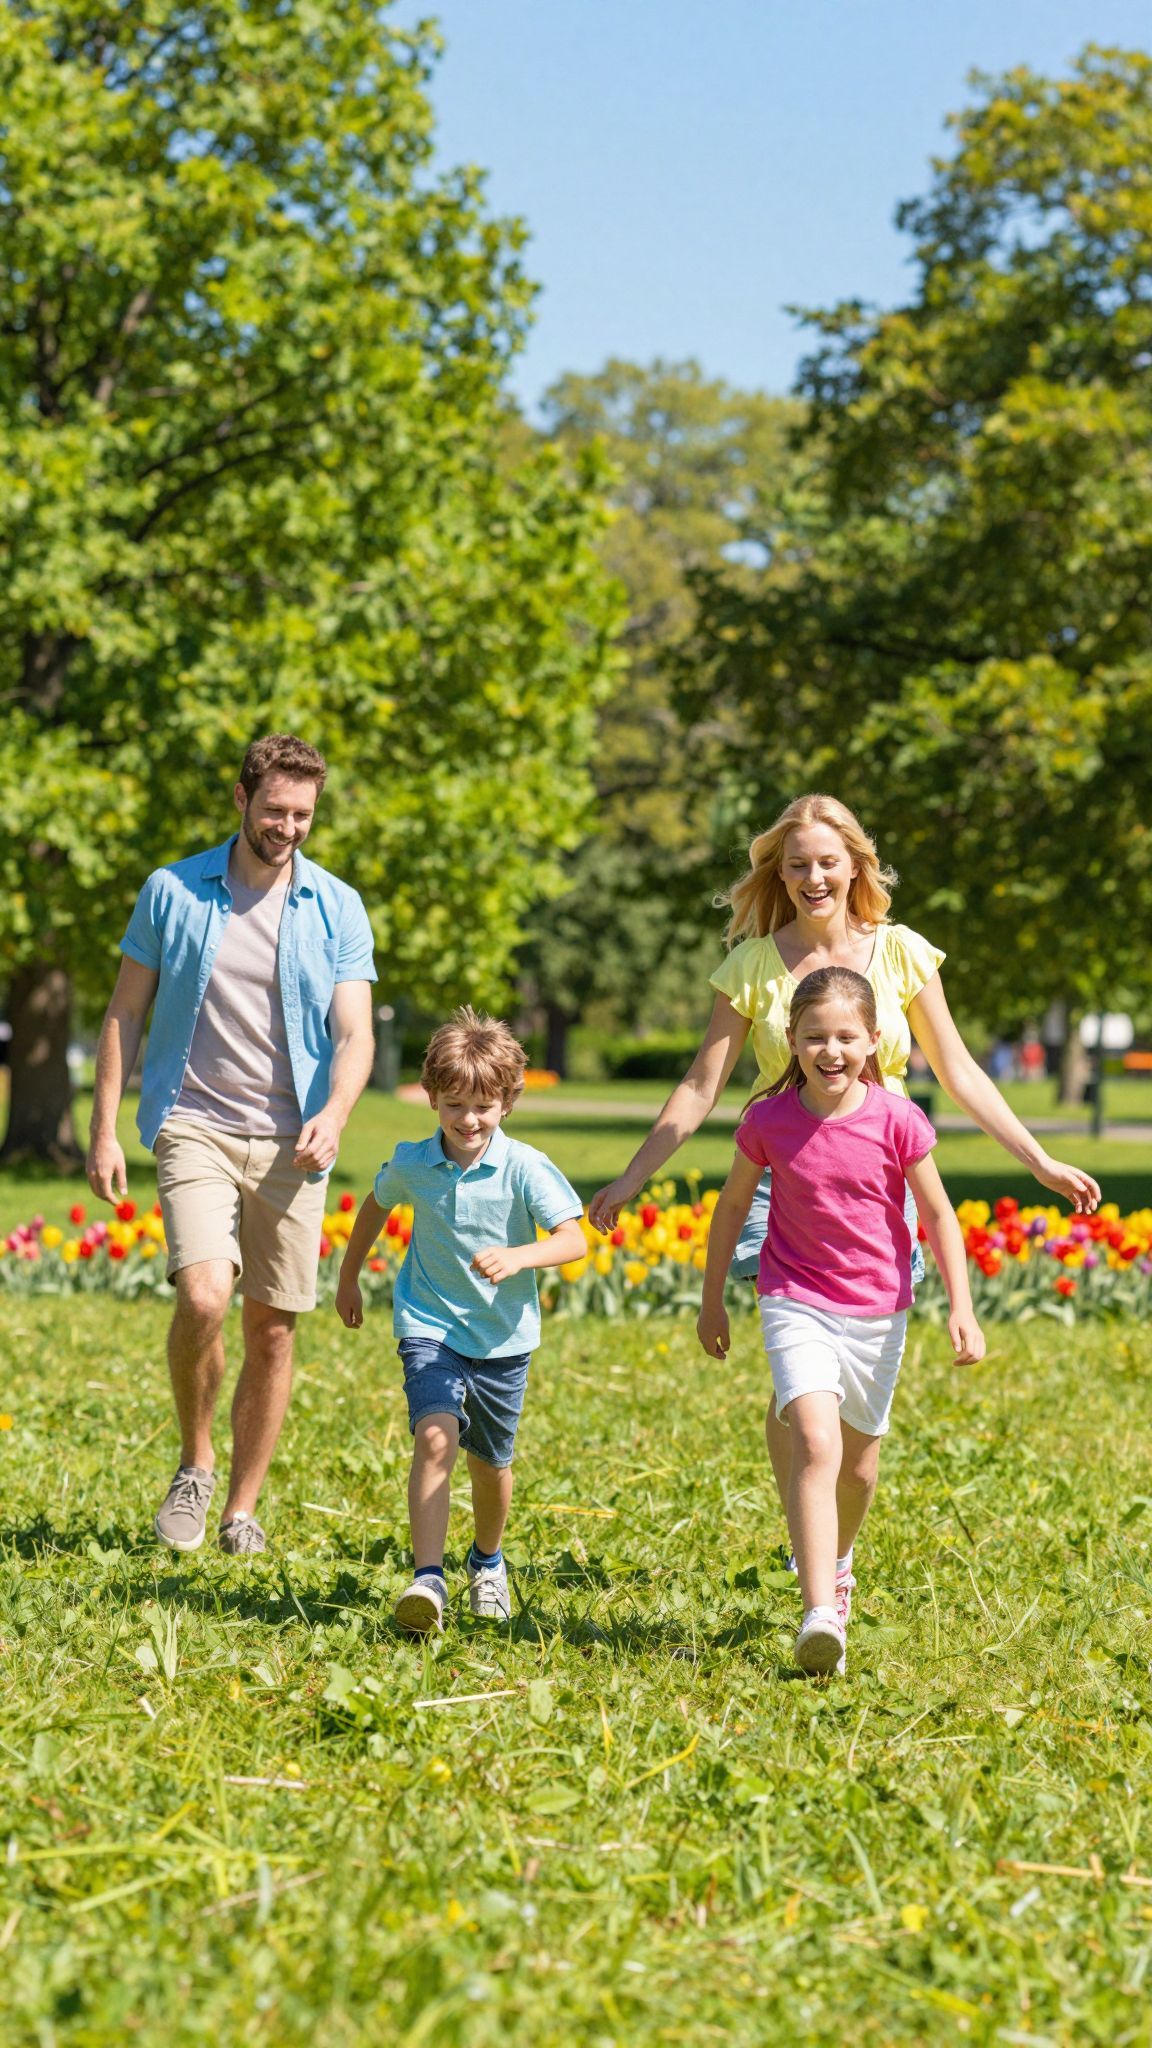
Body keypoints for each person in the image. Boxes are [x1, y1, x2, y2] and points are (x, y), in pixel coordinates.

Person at [589, 793, 1098, 1547]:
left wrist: (1040, 1161)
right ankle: (812, 1537)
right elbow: (701, 1085)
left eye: (828, 862)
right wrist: (632, 1177)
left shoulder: (901, 952)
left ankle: (832, 1539)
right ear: (780, 873)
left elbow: (959, 1071)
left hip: (878, 1182)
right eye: (797, 865)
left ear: (856, 866)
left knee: (854, 1427)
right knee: (802, 1387)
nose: (813, 878)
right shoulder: (753, 965)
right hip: (781, 1180)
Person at [86, 735, 377, 1556]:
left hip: (295, 1140)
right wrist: (103, 1129)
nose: (288, 827)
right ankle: (196, 1462)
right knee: (206, 1297)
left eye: (304, 815)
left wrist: (336, 1113)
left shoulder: (337, 906)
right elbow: (124, 1013)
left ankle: (240, 1511)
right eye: (275, 809)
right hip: (195, 1124)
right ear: (242, 799)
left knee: (273, 1330)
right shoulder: (173, 891)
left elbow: (354, 1034)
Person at [697, 967, 985, 1675]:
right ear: (791, 1040)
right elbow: (731, 1210)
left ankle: (839, 1560)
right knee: (816, 1442)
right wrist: (711, 1298)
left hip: (879, 1309)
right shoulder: (767, 1122)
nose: (831, 1051)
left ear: (874, 1040)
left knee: (858, 1468)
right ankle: (819, 1614)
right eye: (815, 1037)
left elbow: (940, 1215)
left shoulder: (898, 1120)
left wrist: (963, 1306)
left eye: (846, 1037)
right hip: (794, 1297)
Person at [335, 1008, 585, 1634]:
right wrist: (347, 1276)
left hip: (502, 1339)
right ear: (432, 1099)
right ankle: (428, 1579)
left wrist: (519, 1256)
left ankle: (487, 1561)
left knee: (490, 1464)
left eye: (483, 1106)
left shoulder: (525, 1166)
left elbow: (573, 1239)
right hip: (430, 1325)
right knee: (435, 1438)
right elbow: (375, 1206)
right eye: (454, 1105)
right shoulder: (414, 1164)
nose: (468, 1119)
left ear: (507, 1103)